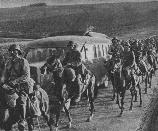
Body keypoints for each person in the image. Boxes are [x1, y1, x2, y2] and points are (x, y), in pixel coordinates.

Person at [4, 44, 34, 129]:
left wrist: (15, 81)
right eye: (11, 51)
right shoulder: (9, 62)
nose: (12, 52)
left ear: (18, 51)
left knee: (21, 100)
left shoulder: (23, 61)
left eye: (14, 50)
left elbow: (26, 76)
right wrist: (3, 81)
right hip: (11, 85)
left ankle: (23, 119)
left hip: (22, 85)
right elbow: (6, 75)